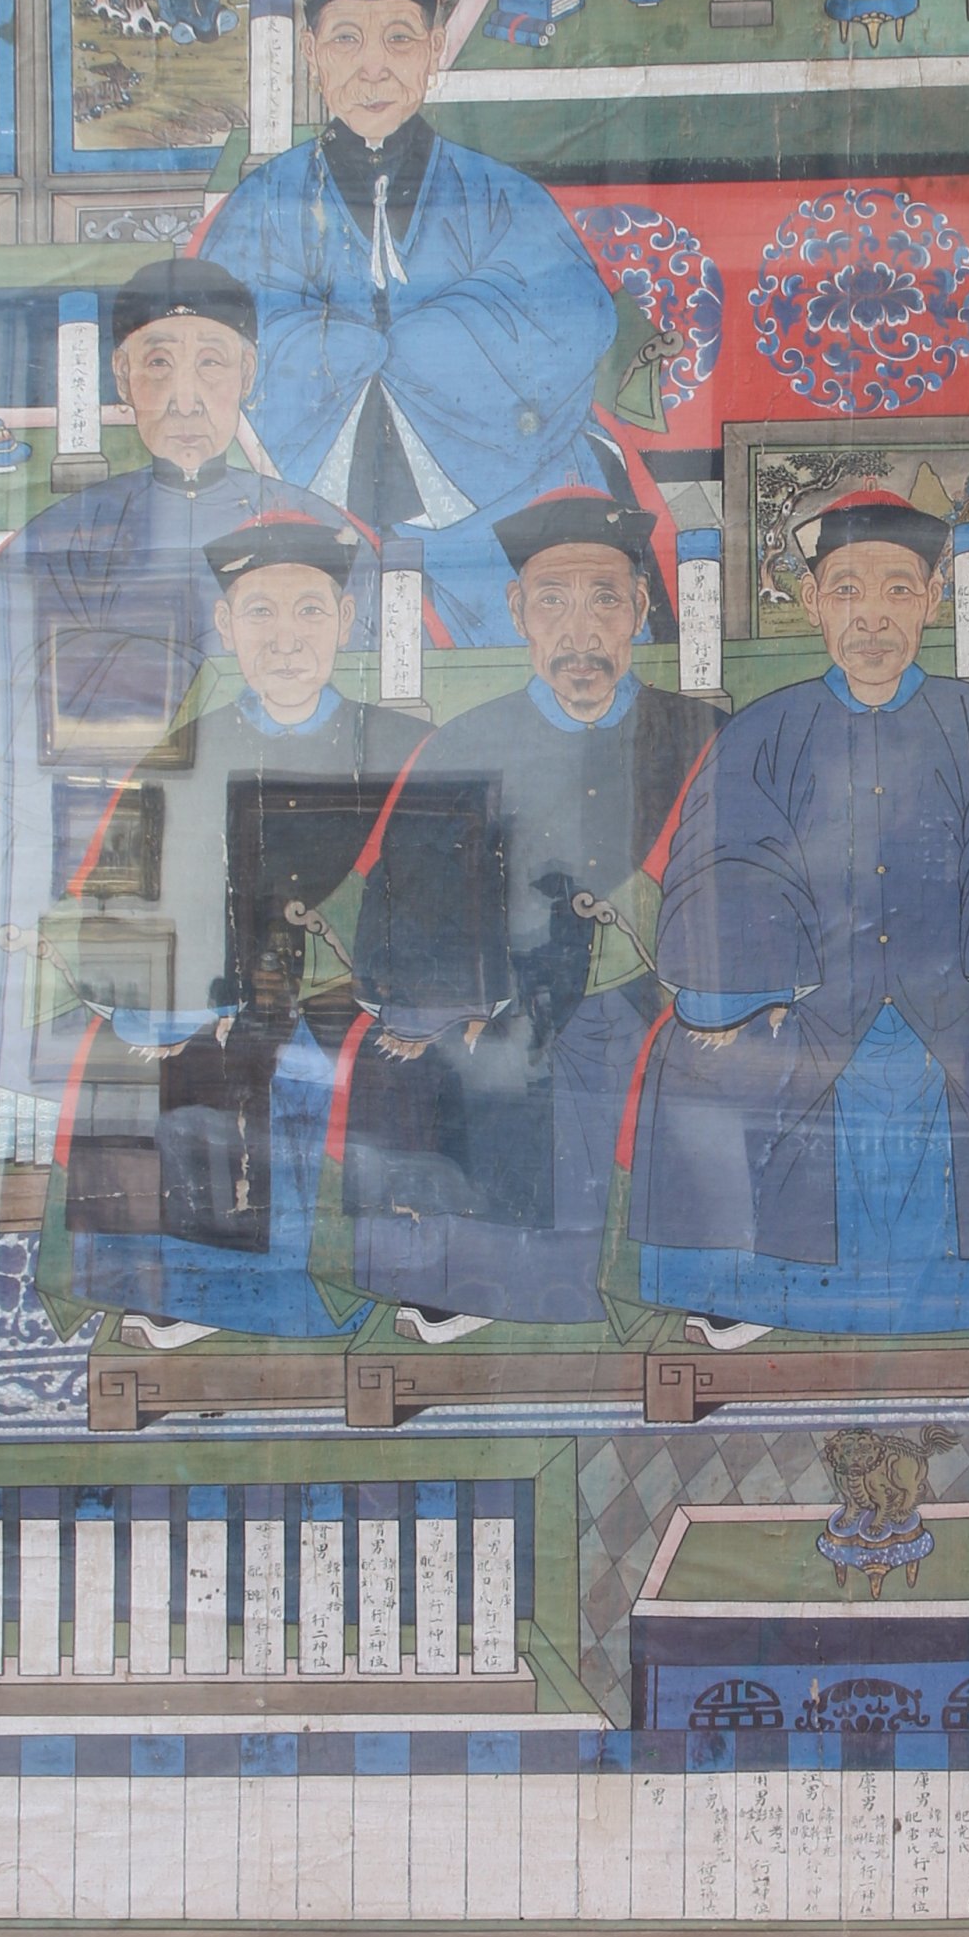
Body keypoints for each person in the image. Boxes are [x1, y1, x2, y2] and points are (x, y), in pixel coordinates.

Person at [624, 491, 969, 1344]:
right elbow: (725, 864)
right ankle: (750, 1286)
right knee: (706, 1051)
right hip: (809, 1005)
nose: (872, 618)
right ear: (812, 603)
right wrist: (753, 981)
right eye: (847, 591)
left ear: (933, 600)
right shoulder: (762, 732)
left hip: (967, 999)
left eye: (897, 591)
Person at [0, 256, 375, 1121]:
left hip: (278, 844)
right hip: (93, 837)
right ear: (122, 382)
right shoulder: (57, 537)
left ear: (248, 376)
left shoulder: (321, 535)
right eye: (159, 364)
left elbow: (369, 710)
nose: (186, 396)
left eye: (211, 363)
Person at [38, 517, 428, 1348]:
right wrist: (184, 1005)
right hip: (217, 1001)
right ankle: (181, 1290)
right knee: (155, 1062)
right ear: (225, 625)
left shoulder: (402, 747)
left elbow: (436, 899)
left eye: (309, 611)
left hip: (349, 999)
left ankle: (319, 1293)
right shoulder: (184, 752)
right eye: (260, 613)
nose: (286, 640)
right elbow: (116, 908)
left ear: (347, 620)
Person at [339, 489, 714, 1337]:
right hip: (506, 994)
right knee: (459, 1062)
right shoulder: (467, 744)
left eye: (604, 599)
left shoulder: (698, 733)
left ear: (641, 610)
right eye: (552, 601)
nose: (580, 632)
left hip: (652, 993)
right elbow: (408, 902)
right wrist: (457, 1000)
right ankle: (483, 1289)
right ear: (518, 613)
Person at [196, 0, 619, 642]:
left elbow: (569, 317)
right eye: (345, 39)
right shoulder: (263, 204)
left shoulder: (500, 194)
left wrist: (415, 346)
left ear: (435, 49)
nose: (373, 68)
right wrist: (349, 347)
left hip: (495, 496)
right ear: (310, 54)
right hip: (310, 504)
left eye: (398, 38)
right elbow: (219, 337)